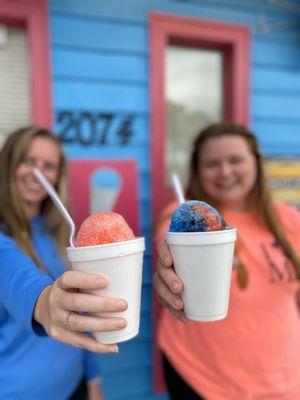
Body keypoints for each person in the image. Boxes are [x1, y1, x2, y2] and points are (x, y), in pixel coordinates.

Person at [153, 122, 300, 399]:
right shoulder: (186, 217)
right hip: (203, 379)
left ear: (256, 163)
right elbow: (168, 241)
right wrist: (169, 266)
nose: (225, 172)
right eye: (212, 164)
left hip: (286, 379)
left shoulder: (289, 219)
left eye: (235, 160)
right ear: (197, 171)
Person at [0, 126, 129, 399]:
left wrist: (92, 376)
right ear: (9, 163)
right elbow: (18, 280)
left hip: (74, 385)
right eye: (28, 161)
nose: (38, 172)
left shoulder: (59, 235)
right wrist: (45, 301)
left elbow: (79, 314)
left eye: (49, 166)